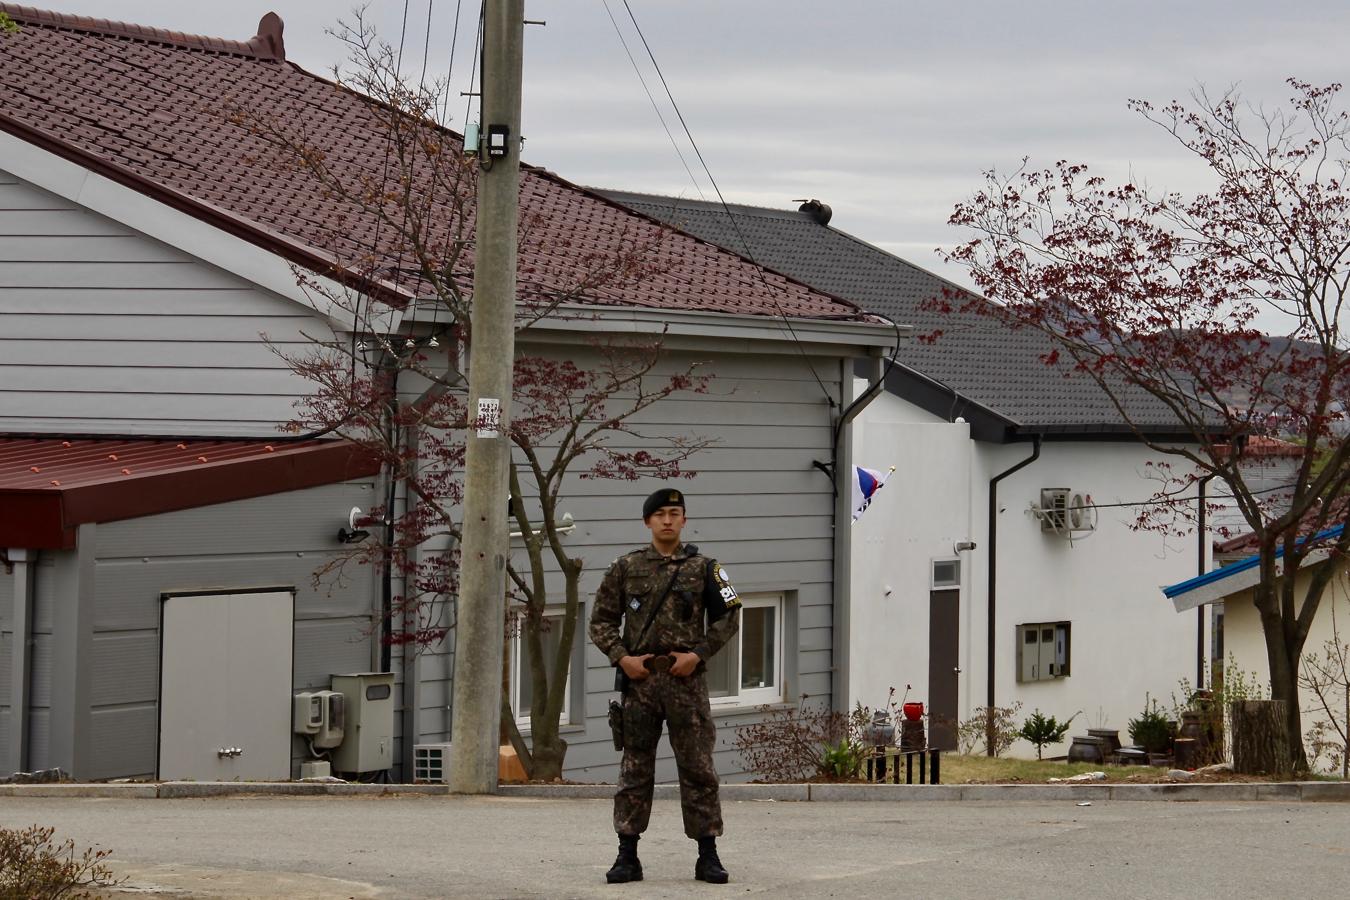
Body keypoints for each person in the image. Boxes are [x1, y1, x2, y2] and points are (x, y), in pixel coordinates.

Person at [588, 487, 741, 885]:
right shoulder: (625, 567)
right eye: (660, 514)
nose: (668, 520)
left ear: (685, 520)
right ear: (647, 522)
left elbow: (730, 616)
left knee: (698, 768)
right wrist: (622, 657)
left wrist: (700, 653)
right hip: (641, 685)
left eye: (675, 513)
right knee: (635, 769)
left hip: (686, 682)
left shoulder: (707, 568)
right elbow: (600, 621)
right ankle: (627, 855)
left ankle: (707, 854)